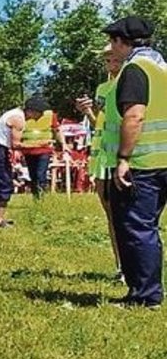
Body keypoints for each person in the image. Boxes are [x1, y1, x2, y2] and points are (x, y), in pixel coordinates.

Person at [102, 16, 167, 306]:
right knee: (148, 228)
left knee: (136, 228)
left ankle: (144, 296)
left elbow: (135, 115)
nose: (109, 49)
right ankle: (148, 291)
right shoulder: (161, 68)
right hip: (163, 161)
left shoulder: (134, 70)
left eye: (111, 42)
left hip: (143, 163)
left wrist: (124, 158)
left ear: (120, 41)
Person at [78, 42, 124, 277]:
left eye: (114, 58)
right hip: (102, 159)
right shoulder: (103, 88)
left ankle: (131, 266)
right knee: (110, 213)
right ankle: (120, 264)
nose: (110, 63)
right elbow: (101, 124)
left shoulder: (132, 83)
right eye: (107, 60)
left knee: (125, 215)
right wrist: (88, 113)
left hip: (125, 157)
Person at [0, 95, 51, 227]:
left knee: (1, 183)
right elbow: (16, 144)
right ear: (32, 110)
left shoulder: (15, 113)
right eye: (40, 112)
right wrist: (40, 144)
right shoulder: (18, 120)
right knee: (5, 184)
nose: (40, 116)